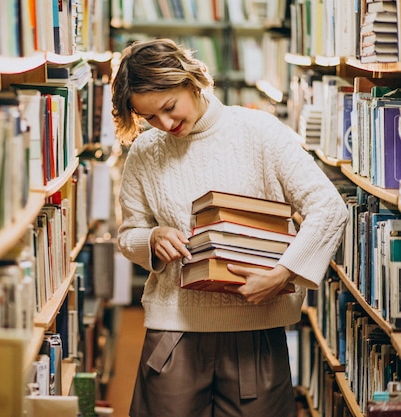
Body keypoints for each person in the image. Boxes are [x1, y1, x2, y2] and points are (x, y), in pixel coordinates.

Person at [111, 38, 348, 417]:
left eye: (169, 107)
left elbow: (329, 208)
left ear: (192, 81)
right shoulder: (145, 151)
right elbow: (128, 234)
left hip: (255, 333)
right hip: (175, 334)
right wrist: (151, 238)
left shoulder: (260, 132)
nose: (166, 124)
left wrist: (283, 273)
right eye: (150, 118)